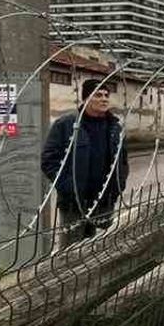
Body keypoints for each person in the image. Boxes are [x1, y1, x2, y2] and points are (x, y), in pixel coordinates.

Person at [41, 79, 129, 249]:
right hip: (74, 201)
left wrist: (118, 185)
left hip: (103, 200)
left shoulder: (114, 128)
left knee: (100, 248)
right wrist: (68, 187)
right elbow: (48, 160)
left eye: (106, 95)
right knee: (71, 250)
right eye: (98, 95)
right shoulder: (67, 125)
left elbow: (123, 161)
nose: (104, 99)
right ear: (86, 98)